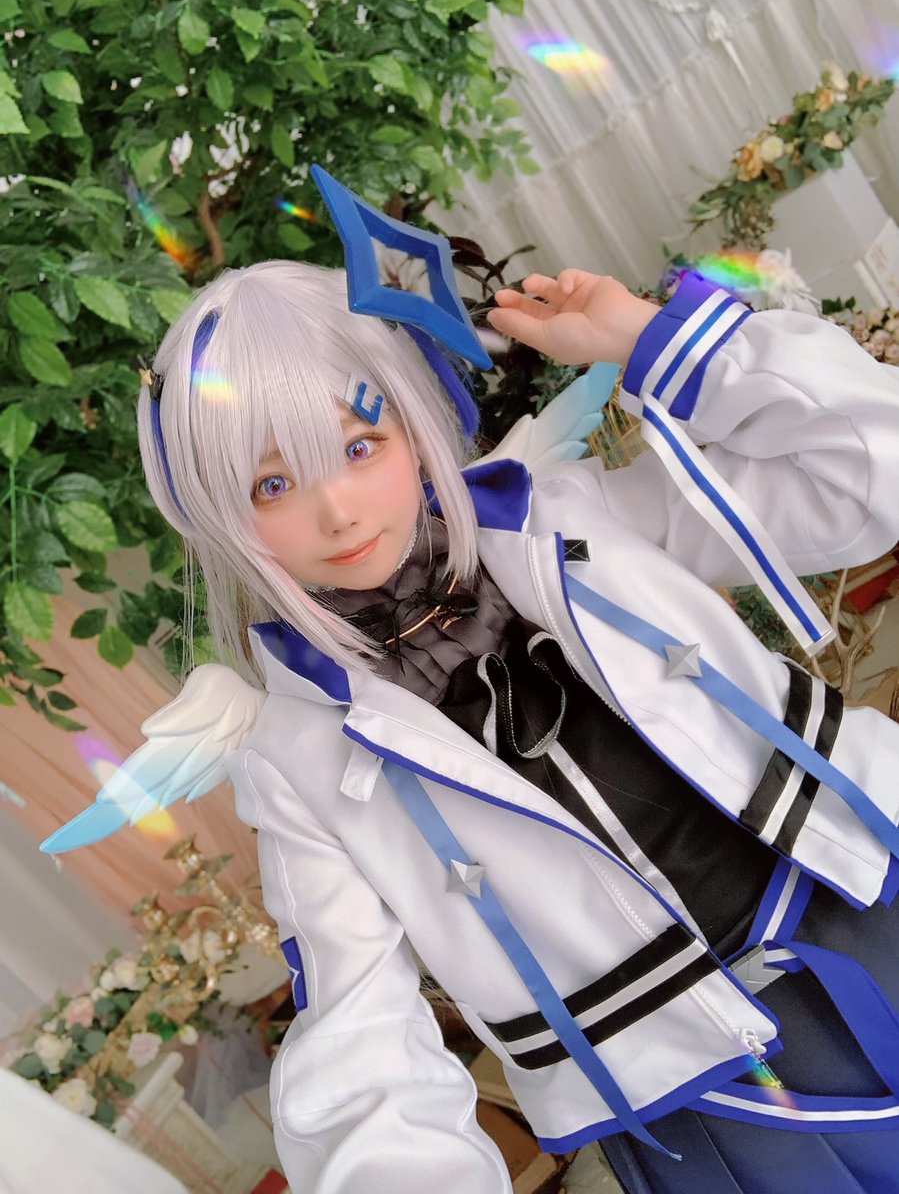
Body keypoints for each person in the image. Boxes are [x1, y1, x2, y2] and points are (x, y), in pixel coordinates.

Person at [41, 184, 899, 1194]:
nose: (335, 509)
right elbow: (357, 1032)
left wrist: (651, 339)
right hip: (710, 1101)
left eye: (358, 446)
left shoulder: (573, 522)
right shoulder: (298, 752)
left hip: (867, 891)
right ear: (223, 517)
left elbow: (868, 473)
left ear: (412, 427)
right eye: (272, 485)